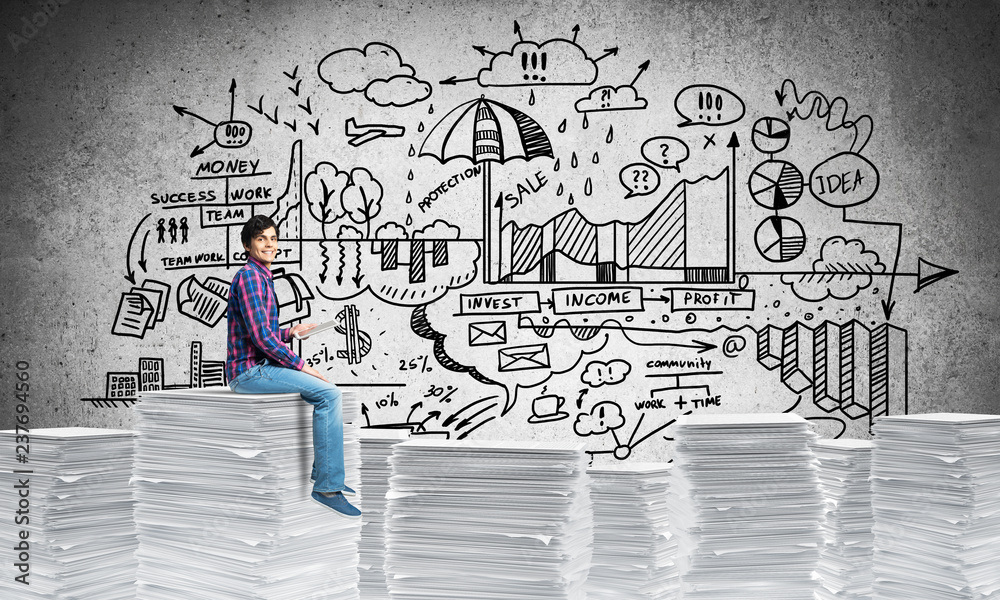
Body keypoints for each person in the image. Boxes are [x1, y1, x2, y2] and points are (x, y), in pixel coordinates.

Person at [225, 214, 360, 518]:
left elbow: (260, 330)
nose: (269, 244)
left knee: (327, 394)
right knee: (329, 394)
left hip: (257, 366)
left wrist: (291, 332)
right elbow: (260, 338)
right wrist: (301, 365)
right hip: (248, 371)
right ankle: (326, 487)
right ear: (248, 245)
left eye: (272, 238)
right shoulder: (249, 277)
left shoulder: (261, 277)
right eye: (261, 239)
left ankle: (326, 473)